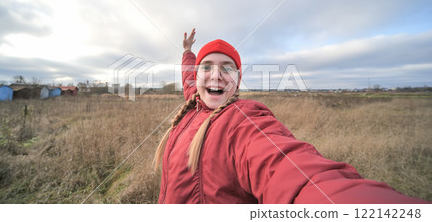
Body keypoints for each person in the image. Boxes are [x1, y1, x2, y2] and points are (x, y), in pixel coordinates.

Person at [153, 28, 428, 204]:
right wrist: (188, 51)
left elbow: (293, 174)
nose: (215, 75)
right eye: (206, 68)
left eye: (227, 68)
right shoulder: (193, 102)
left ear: (238, 81)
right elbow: (189, 77)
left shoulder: (243, 121)